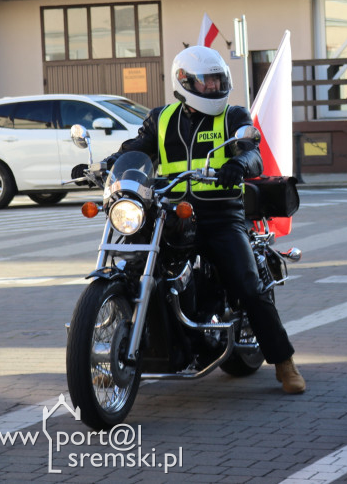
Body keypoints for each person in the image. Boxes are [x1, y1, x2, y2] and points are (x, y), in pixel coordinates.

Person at [104, 46, 305, 394]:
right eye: (207, 82)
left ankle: (284, 362)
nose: (214, 88)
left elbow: (253, 153)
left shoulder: (233, 117)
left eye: (218, 81)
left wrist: (240, 164)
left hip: (220, 214)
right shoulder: (160, 119)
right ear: (184, 83)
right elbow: (136, 149)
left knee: (247, 286)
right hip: (169, 214)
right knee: (134, 266)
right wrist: (108, 163)